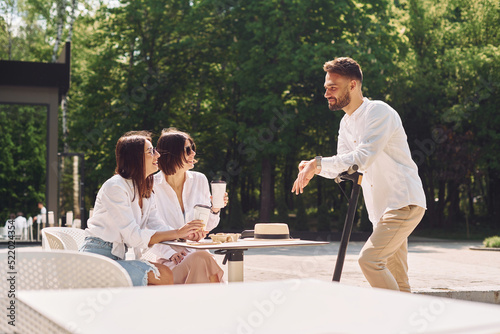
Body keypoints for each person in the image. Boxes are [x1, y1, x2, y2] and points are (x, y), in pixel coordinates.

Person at [292, 57, 426, 293]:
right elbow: (346, 168)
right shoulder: (346, 123)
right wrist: (314, 168)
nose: (326, 94)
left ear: (352, 85)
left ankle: (395, 321)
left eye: (332, 87)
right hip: (382, 211)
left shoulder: (378, 112)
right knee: (399, 282)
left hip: (402, 202)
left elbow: (362, 157)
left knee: (370, 261)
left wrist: (319, 164)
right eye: (326, 88)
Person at [80, 131, 204, 286]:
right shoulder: (115, 187)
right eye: (150, 151)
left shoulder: (145, 190)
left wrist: (185, 234)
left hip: (118, 258)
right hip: (97, 260)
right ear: (135, 157)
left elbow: (157, 225)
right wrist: (178, 233)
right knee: (163, 275)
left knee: (165, 273)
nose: (157, 155)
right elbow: (134, 236)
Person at [151, 128, 227, 284]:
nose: (193, 153)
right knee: (203, 260)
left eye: (193, 148)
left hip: (197, 253)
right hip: (168, 260)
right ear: (171, 153)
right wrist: (169, 252)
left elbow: (206, 226)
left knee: (201, 257)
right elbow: (146, 230)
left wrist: (215, 209)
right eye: (187, 150)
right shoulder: (150, 185)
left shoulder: (200, 179)